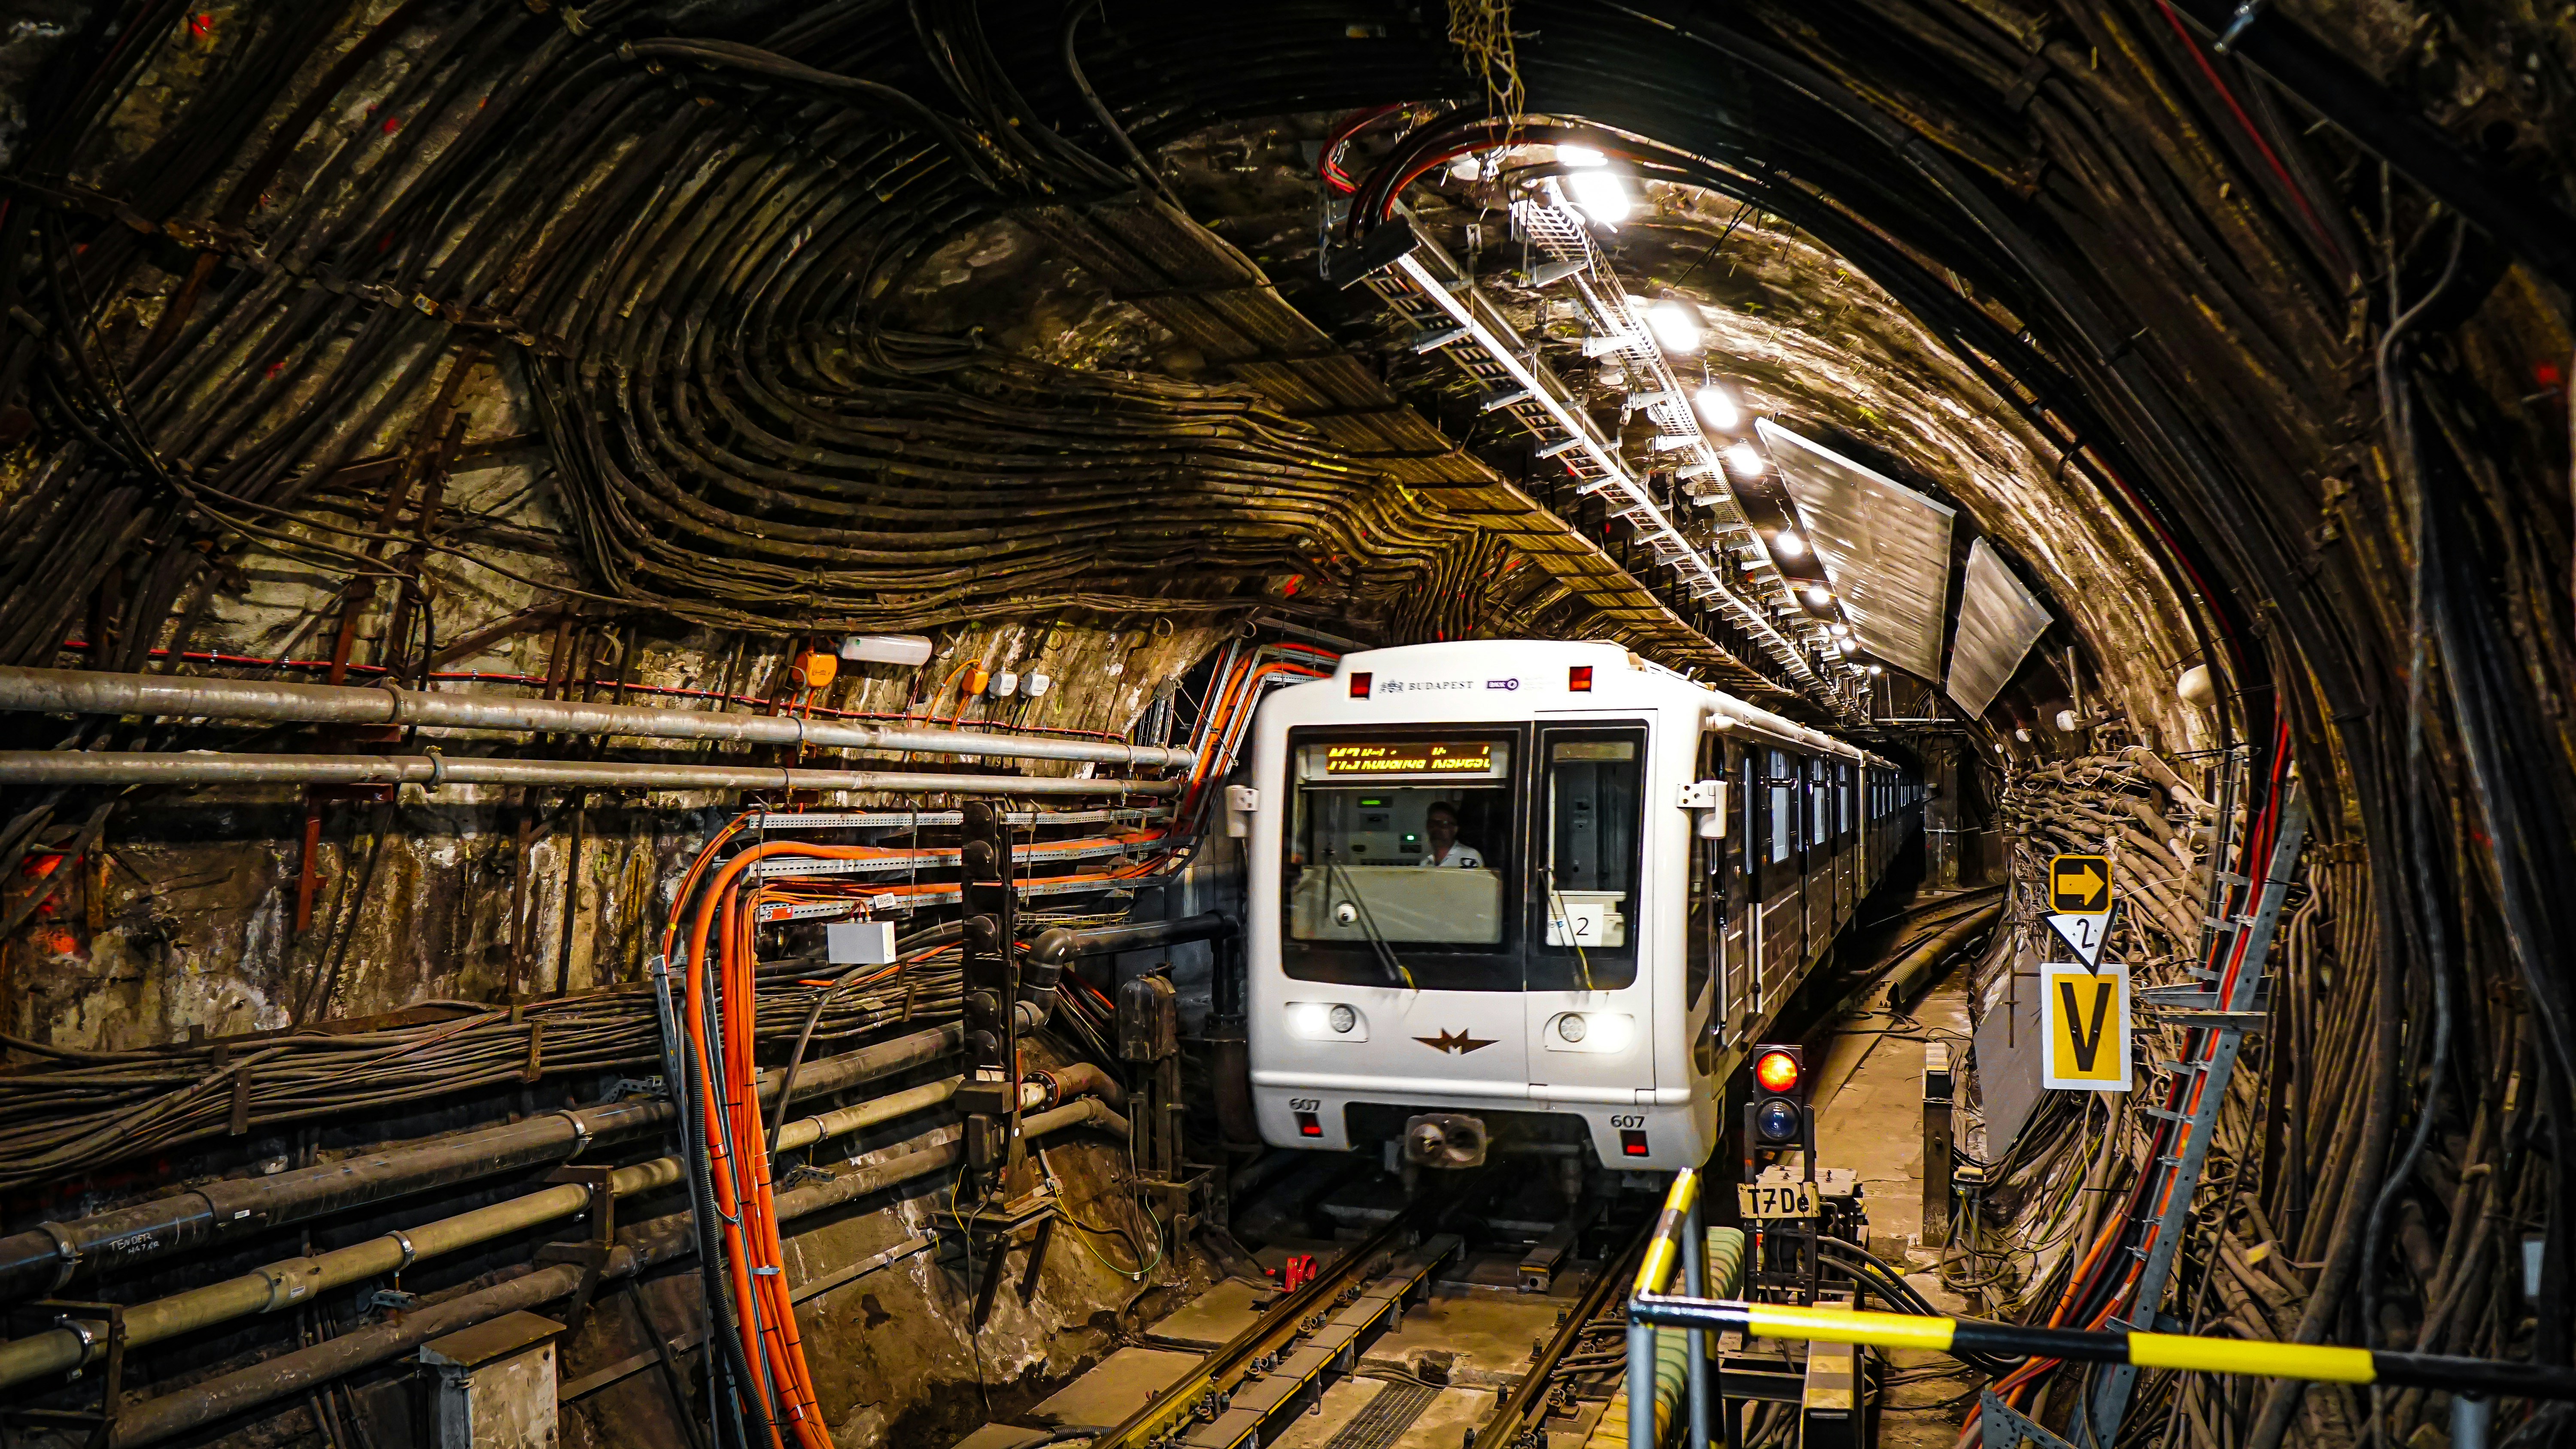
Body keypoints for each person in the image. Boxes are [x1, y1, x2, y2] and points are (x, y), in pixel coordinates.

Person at [1419, 802, 1485, 868]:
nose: (1436, 829)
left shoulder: (1469, 857)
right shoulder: (1425, 862)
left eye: (1443, 824)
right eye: (1432, 824)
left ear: (1455, 829)